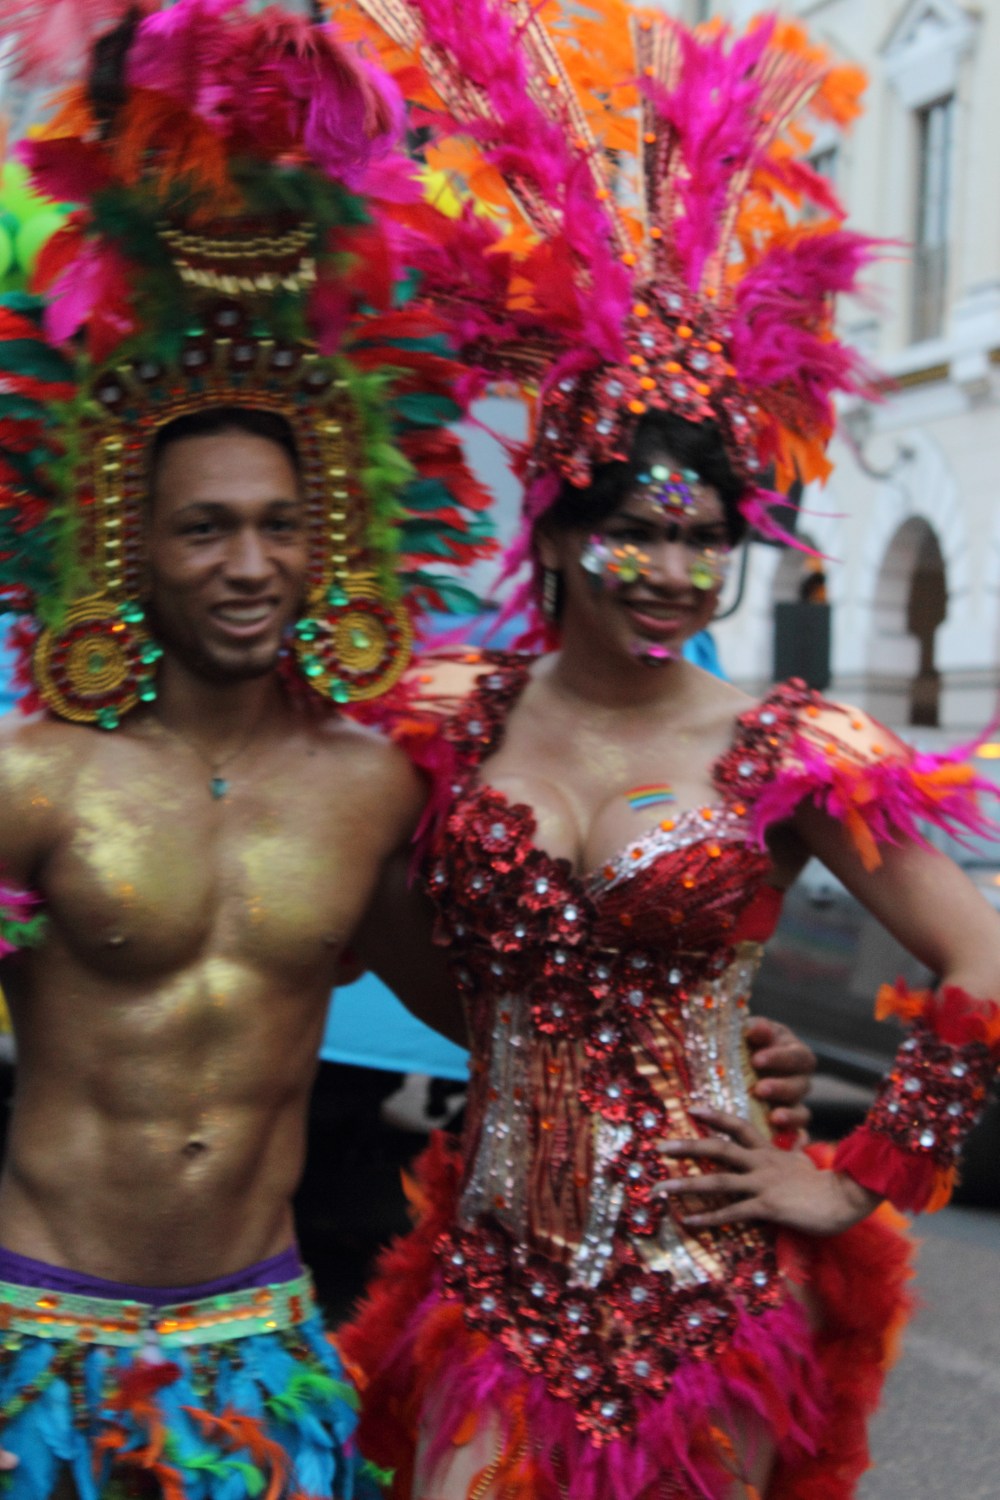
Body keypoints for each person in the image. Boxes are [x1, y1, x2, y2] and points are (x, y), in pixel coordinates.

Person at [0, 5, 815, 1496]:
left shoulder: (374, 786)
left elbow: (506, 1003)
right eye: (205, 528)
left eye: (281, 526)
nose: (249, 564)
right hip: (34, 1340)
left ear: (333, 548)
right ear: (133, 544)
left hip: (265, 1342)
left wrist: (693, 1025)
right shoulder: (31, 779)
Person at [334, 3, 1000, 1497]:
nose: (669, 571)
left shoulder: (788, 748)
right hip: (492, 1277)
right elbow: (372, 924)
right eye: (630, 528)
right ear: (556, 535)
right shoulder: (455, 717)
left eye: (703, 541)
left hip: (711, 1300)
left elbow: (985, 967)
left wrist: (852, 1181)